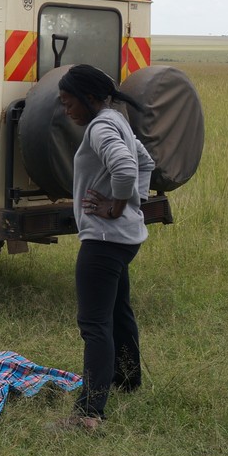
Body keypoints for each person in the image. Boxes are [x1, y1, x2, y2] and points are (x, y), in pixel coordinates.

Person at [55, 64, 155, 430]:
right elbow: (145, 161)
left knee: (94, 325)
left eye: (69, 103)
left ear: (90, 97)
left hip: (103, 240)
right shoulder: (117, 120)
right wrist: (133, 203)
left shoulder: (100, 126)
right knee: (117, 313)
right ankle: (127, 380)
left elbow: (127, 168)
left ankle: (89, 414)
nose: (68, 111)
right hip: (123, 239)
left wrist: (116, 205)